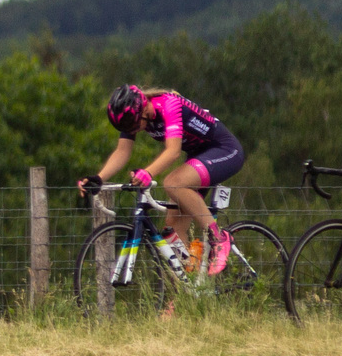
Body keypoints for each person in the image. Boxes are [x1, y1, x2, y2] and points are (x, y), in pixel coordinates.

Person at [83, 85, 243, 276]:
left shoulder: (169, 105)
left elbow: (173, 151)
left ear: (143, 110)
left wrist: (147, 173)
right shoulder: (135, 115)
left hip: (225, 150)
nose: (133, 131)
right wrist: (99, 178)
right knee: (172, 231)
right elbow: (122, 151)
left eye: (134, 127)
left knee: (173, 182)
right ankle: (190, 293)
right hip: (198, 156)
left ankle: (219, 238)